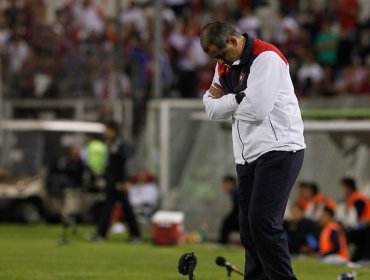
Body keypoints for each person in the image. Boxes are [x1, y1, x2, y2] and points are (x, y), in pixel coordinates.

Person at [201, 21, 306, 280]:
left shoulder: (267, 58)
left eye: (221, 54)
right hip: (247, 156)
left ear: (234, 41)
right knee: (248, 228)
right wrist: (238, 98)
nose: (219, 62)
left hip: (279, 148)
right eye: (215, 58)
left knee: (263, 224)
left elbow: (258, 108)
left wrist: (227, 100)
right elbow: (211, 110)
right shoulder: (225, 65)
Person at [88, 121, 141, 242]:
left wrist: (126, 180)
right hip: (112, 181)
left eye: (107, 130)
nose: (105, 133)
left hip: (120, 182)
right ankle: (101, 234)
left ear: (113, 130)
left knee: (126, 208)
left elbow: (127, 163)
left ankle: (136, 235)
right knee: (107, 207)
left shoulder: (121, 145)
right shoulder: (111, 144)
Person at [340, 177, 370, 261]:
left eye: (343, 188)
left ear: (348, 188)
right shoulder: (352, 199)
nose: (341, 190)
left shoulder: (359, 200)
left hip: (365, 227)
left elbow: (355, 220)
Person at [219, 175, 239, 244]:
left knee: (226, 223)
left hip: (245, 217)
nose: (223, 187)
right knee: (227, 222)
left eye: (224, 184)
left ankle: (223, 243)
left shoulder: (235, 192)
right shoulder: (234, 192)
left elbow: (237, 208)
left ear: (230, 183)